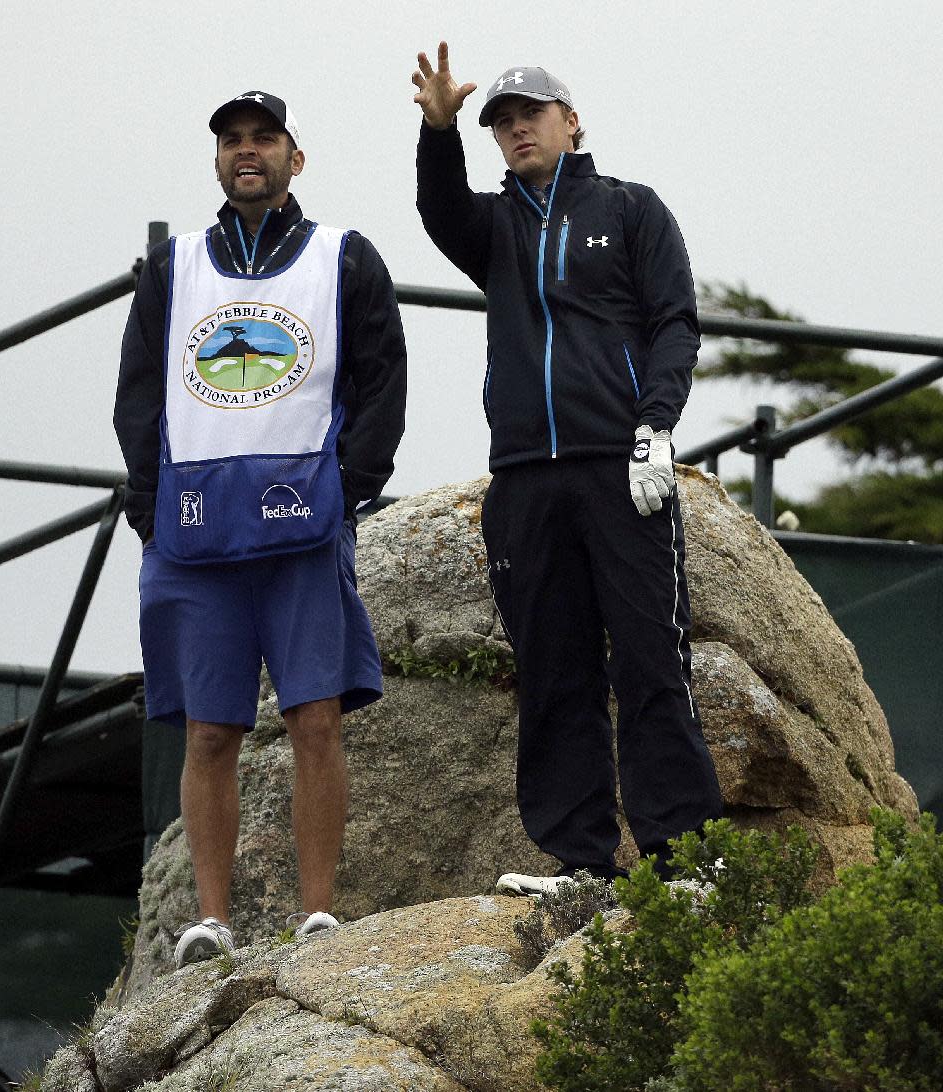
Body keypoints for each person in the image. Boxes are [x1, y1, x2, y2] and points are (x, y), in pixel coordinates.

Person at [412, 45, 722, 896]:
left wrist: (657, 427)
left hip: (621, 467)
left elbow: (675, 323)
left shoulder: (630, 210)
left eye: (531, 114)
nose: (516, 129)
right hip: (524, 476)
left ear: (571, 120)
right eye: (502, 122)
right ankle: (580, 860)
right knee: (554, 669)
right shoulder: (494, 227)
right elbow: (438, 210)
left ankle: (686, 858)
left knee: (652, 659)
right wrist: (438, 132)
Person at [115, 91, 406, 964]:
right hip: (195, 537)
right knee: (208, 731)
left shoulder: (342, 258)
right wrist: (148, 510)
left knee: (316, 720)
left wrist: (347, 489)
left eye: (265, 139)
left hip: (302, 528)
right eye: (233, 142)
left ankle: (318, 915)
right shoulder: (173, 267)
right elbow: (138, 393)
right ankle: (213, 921)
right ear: (217, 163)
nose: (249, 152)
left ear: (294, 158)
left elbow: (383, 382)